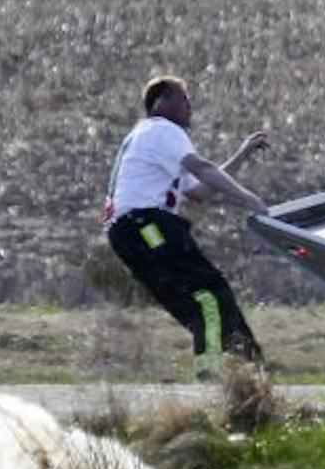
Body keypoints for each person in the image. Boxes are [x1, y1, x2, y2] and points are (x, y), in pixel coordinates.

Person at [103, 75, 272, 377]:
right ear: (161, 103)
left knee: (202, 303)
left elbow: (200, 192)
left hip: (130, 232)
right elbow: (203, 168)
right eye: (183, 99)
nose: (189, 106)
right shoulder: (163, 130)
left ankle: (250, 371)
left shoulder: (147, 137)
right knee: (209, 293)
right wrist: (251, 200)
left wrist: (242, 154)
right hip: (146, 226)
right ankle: (216, 375)